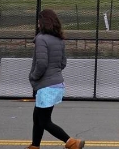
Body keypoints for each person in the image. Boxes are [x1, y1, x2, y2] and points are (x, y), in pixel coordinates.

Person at [26, 9, 85, 149]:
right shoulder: (59, 39)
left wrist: (33, 77)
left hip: (46, 86)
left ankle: (71, 142)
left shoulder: (41, 39)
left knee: (45, 121)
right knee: (37, 118)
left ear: (43, 22)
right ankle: (35, 145)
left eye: (38, 21)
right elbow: (63, 63)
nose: (37, 23)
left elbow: (41, 64)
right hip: (57, 84)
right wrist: (54, 73)